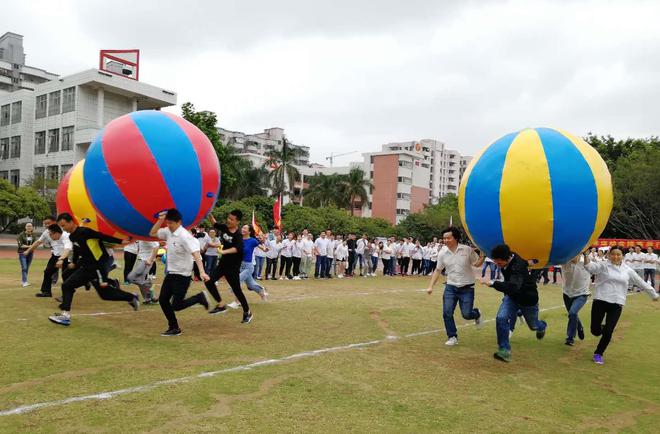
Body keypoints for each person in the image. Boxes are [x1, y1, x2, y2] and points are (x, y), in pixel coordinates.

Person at [48, 213, 140, 327]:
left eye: (64, 225)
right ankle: (65, 315)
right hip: (86, 268)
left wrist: (121, 242)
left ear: (71, 222)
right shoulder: (72, 236)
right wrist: (74, 263)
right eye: (61, 227)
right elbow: (77, 250)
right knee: (67, 285)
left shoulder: (85, 232)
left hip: (98, 267)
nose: (63, 229)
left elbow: (101, 236)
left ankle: (131, 297)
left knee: (105, 295)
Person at [583, 246, 658, 364]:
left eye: (618, 254)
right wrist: (585, 255)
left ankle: (598, 353)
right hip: (600, 300)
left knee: (608, 332)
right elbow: (589, 267)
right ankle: (601, 328)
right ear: (609, 255)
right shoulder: (603, 265)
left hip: (617, 303)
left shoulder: (627, 270)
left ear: (622, 256)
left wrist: (653, 294)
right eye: (613, 254)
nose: (616, 257)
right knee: (595, 331)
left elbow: (640, 282)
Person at [148, 209, 210, 336]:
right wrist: (160, 220)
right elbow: (152, 233)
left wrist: (202, 272)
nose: (169, 226)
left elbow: (196, 255)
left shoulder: (185, 236)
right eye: (167, 223)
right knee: (163, 300)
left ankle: (199, 298)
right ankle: (174, 327)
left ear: (179, 222)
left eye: (171, 223)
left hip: (183, 275)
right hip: (171, 273)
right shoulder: (168, 232)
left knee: (176, 305)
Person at [483, 244, 548, 362]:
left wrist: (493, 283)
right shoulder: (511, 257)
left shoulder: (517, 266)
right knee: (501, 318)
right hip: (512, 298)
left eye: (499, 262)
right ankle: (504, 350)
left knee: (533, 326)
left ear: (506, 258)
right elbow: (524, 263)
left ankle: (542, 326)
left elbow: (514, 286)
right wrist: (530, 262)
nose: (497, 264)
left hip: (528, 300)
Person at [427, 227, 485, 347]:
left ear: (456, 238)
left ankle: (476, 313)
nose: (446, 240)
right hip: (451, 287)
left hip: (467, 288)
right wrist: (430, 286)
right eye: (444, 238)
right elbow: (438, 270)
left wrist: (482, 257)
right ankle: (452, 336)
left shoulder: (467, 250)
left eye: (449, 238)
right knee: (447, 313)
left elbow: (477, 264)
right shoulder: (442, 253)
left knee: (466, 314)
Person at [204, 210, 253, 323]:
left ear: (237, 222)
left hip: (232, 267)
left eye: (232, 219)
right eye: (228, 218)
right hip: (222, 265)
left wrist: (224, 252)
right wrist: (209, 213)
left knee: (237, 290)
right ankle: (221, 305)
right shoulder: (225, 227)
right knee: (208, 281)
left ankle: (247, 312)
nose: (228, 220)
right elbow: (215, 223)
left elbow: (238, 248)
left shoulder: (238, 235)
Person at [560, 254, 591, 346]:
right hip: (567, 294)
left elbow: (599, 269)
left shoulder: (586, 263)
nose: (573, 257)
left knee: (573, 312)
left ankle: (570, 337)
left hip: (581, 294)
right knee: (572, 314)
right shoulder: (564, 262)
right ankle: (579, 326)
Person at [127, 240, 160, 304]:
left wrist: (150, 260)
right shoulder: (140, 236)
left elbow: (156, 246)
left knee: (131, 278)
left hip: (145, 261)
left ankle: (148, 287)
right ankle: (148, 298)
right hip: (140, 260)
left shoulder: (147, 236)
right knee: (140, 280)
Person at [17, 223, 36, 287]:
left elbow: (35, 244)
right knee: (24, 267)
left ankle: (25, 280)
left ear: (32, 227)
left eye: (30, 226)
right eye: (27, 226)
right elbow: (21, 245)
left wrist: (31, 247)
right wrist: (30, 246)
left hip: (30, 253)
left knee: (27, 268)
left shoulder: (33, 235)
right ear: (25, 227)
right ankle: (24, 282)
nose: (29, 227)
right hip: (22, 253)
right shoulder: (21, 235)